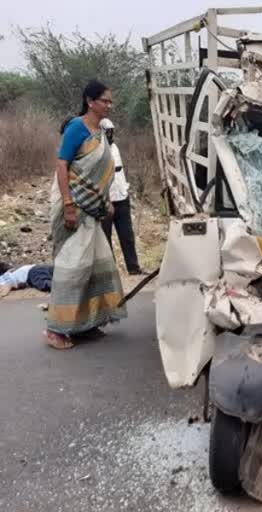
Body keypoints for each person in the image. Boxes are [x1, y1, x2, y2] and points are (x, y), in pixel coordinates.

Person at [45, 80, 127, 350]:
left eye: (110, 101)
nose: (109, 105)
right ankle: (56, 329)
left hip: (93, 209)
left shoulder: (100, 131)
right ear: (90, 101)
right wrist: (69, 204)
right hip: (75, 208)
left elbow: (100, 170)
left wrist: (106, 203)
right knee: (73, 268)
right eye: (105, 100)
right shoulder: (76, 128)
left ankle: (85, 324)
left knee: (96, 266)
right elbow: (62, 165)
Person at [100, 119, 144, 275]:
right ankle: (110, 273)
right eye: (107, 132)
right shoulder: (96, 151)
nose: (110, 135)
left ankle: (134, 268)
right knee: (105, 239)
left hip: (121, 197)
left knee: (127, 236)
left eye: (111, 131)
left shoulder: (115, 148)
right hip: (105, 200)